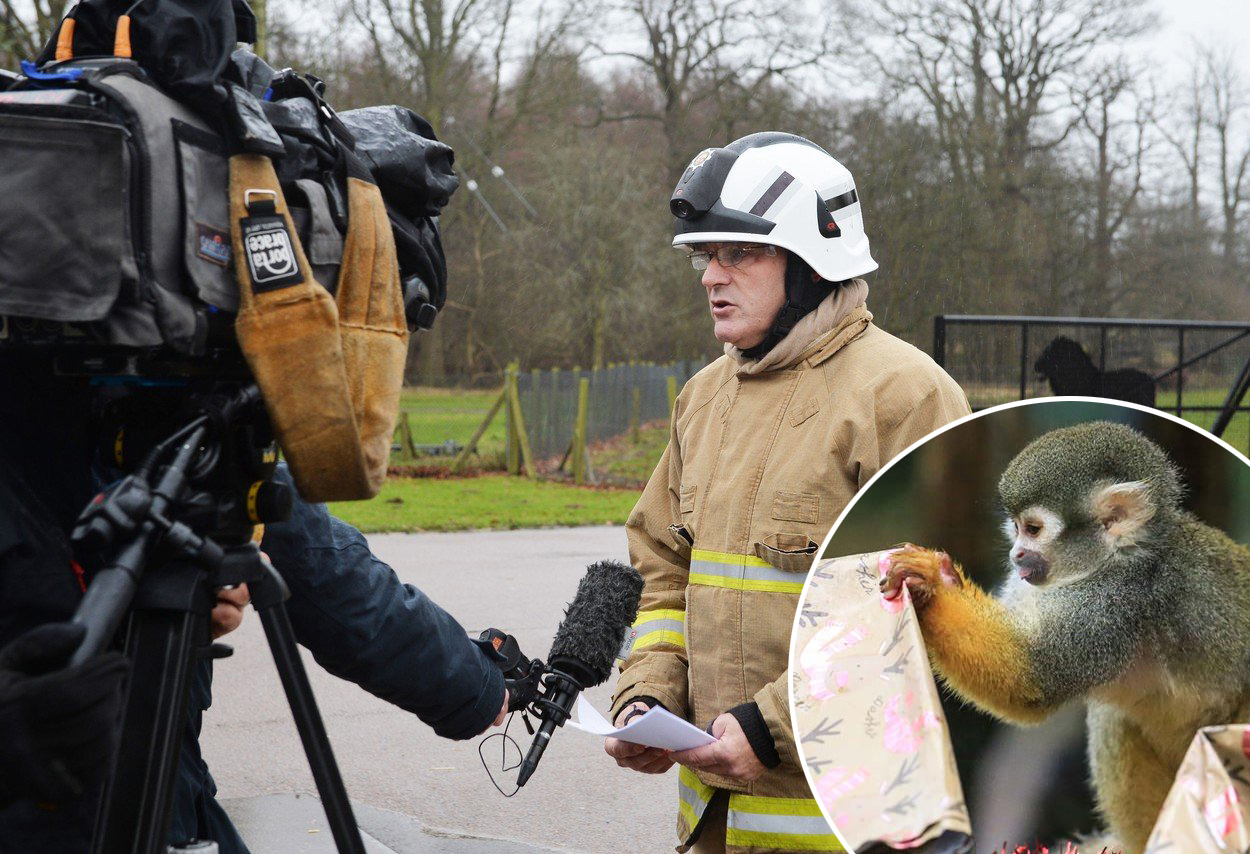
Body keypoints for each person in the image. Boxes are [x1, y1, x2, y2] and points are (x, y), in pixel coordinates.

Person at [605, 132, 971, 853]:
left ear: (811, 265)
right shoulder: (703, 398)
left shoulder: (905, 396)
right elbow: (664, 571)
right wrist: (648, 694)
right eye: (705, 256)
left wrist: (770, 728)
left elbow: (929, 610)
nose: (712, 277)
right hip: (712, 823)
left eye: (739, 254)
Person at [0, 352, 507, 852]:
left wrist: (474, 686)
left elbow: (318, 564)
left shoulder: (170, 437)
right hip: (68, 798)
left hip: (153, 773)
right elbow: (325, 575)